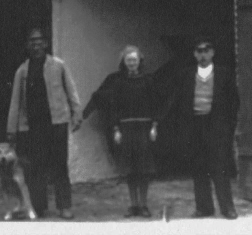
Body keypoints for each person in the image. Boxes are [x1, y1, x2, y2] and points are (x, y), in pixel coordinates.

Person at [6, 27, 83, 219]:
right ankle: (39, 206)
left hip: (56, 123)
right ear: (27, 46)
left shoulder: (58, 65)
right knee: (36, 167)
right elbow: (15, 101)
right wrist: (11, 130)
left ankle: (64, 206)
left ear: (46, 44)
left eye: (39, 42)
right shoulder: (22, 71)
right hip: (32, 126)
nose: (36, 45)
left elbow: (71, 91)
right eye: (32, 42)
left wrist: (77, 113)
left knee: (59, 165)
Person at [81, 45, 161, 217]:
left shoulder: (149, 80)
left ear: (140, 61)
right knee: (131, 169)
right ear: (124, 62)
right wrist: (116, 130)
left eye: (134, 59)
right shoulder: (118, 82)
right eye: (128, 60)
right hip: (126, 129)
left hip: (144, 128)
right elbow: (114, 108)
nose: (132, 63)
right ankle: (133, 205)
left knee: (144, 169)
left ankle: (144, 204)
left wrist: (154, 126)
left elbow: (156, 104)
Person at [168, 35, 239, 219]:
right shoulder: (186, 74)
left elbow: (233, 102)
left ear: (213, 52)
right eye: (199, 51)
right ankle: (204, 208)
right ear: (194, 54)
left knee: (220, 167)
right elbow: (179, 101)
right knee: (199, 167)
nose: (203, 54)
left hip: (216, 126)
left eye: (207, 50)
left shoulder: (224, 73)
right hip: (195, 125)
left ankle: (227, 208)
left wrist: (227, 127)